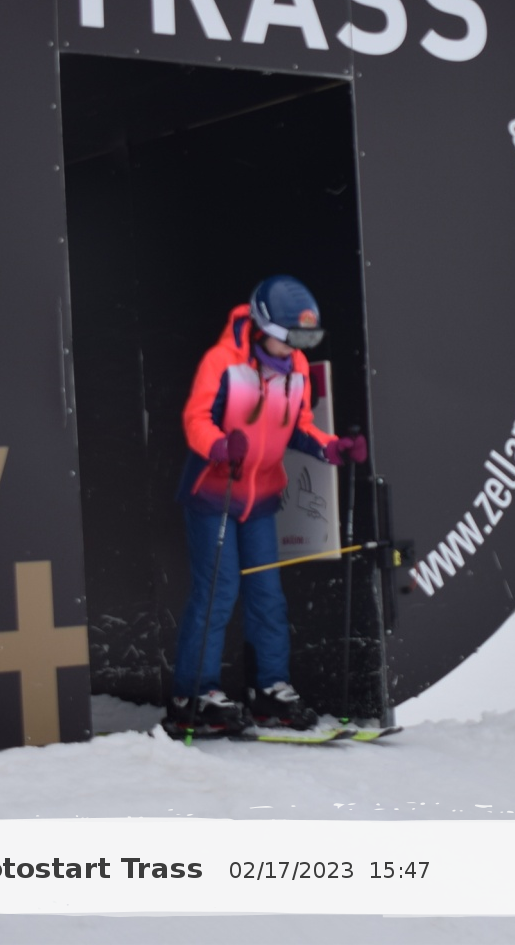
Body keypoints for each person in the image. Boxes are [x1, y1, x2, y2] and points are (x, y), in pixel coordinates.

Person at [169, 275, 367, 736]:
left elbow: (298, 426)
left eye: (303, 341)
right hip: (214, 494)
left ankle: (270, 690)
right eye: (289, 338)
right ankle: (192, 695)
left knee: (267, 595)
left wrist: (331, 447)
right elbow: (196, 419)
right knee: (218, 593)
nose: (294, 348)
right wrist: (219, 446)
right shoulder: (223, 362)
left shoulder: (296, 367)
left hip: (260, 498)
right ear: (264, 327)